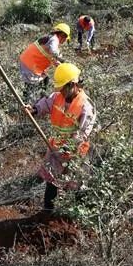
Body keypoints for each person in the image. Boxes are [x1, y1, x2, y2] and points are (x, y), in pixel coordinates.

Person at [26, 63, 96, 210]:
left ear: (73, 85)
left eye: (63, 87)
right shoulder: (57, 97)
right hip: (56, 148)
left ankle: (76, 216)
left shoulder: (86, 106)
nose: (61, 91)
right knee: (51, 181)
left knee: (76, 184)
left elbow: (84, 132)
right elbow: (45, 104)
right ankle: (47, 212)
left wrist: (69, 150)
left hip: (76, 152)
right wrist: (34, 110)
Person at [19, 23, 70, 103]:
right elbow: (53, 51)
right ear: (63, 35)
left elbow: (49, 55)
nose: (64, 42)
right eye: (65, 39)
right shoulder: (54, 39)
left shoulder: (49, 39)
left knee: (45, 78)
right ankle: (28, 104)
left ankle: (39, 98)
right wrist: (62, 60)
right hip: (30, 65)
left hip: (29, 63)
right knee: (30, 87)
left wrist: (58, 64)